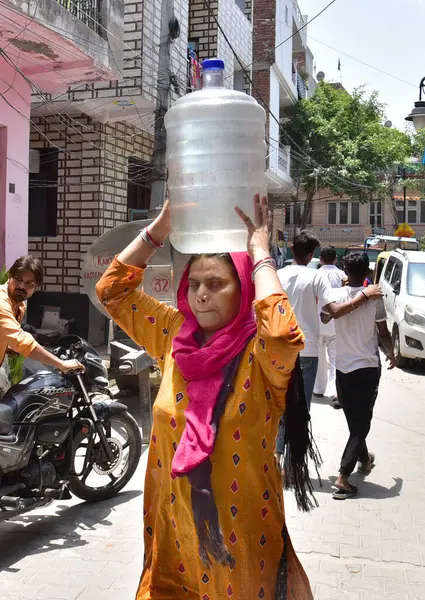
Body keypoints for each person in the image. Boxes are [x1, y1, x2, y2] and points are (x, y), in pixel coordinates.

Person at [96, 195, 315, 599]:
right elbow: (112, 290)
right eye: (194, 283)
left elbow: (283, 331)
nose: (201, 294)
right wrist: (160, 227)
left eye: (216, 284)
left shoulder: (261, 354)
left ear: (244, 287)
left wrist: (260, 253)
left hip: (239, 539)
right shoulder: (174, 334)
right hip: (172, 526)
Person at [275, 233, 382, 470]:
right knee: (301, 409)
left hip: (279, 350)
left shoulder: (276, 276)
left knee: (282, 406)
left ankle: (278, 456)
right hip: (306, 348)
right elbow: (332, 310)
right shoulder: (316, 278)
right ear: (312, 255)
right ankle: (294, 466)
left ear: (292, 249)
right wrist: (364, 294)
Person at [321, 252, 396, 500]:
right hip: (366, 368)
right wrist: (392, 353)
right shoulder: (373, 297)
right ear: (367, 272)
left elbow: (326, 314)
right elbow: (383, 332)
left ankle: (364, 460)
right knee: (361, 423)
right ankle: (343, 475)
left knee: (355, 421)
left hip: (343, 369)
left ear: (345, 270)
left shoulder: (336, 295)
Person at [0, 255, 83, 391]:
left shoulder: (19, 304)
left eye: (29, 283)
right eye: (18, 279)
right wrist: (61, 364)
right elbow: (22, 342)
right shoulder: (2, 303)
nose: (22, 286)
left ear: (36, 288)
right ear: (9, 277)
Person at [313, 246, 346, 409]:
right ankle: (335, 392)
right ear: (335, 259)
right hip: (335, 323)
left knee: (319, 358)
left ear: (320, 259)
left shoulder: (315, 275)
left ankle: (318, 389)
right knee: (335, 359)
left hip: (317, 324)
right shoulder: (342, 276)